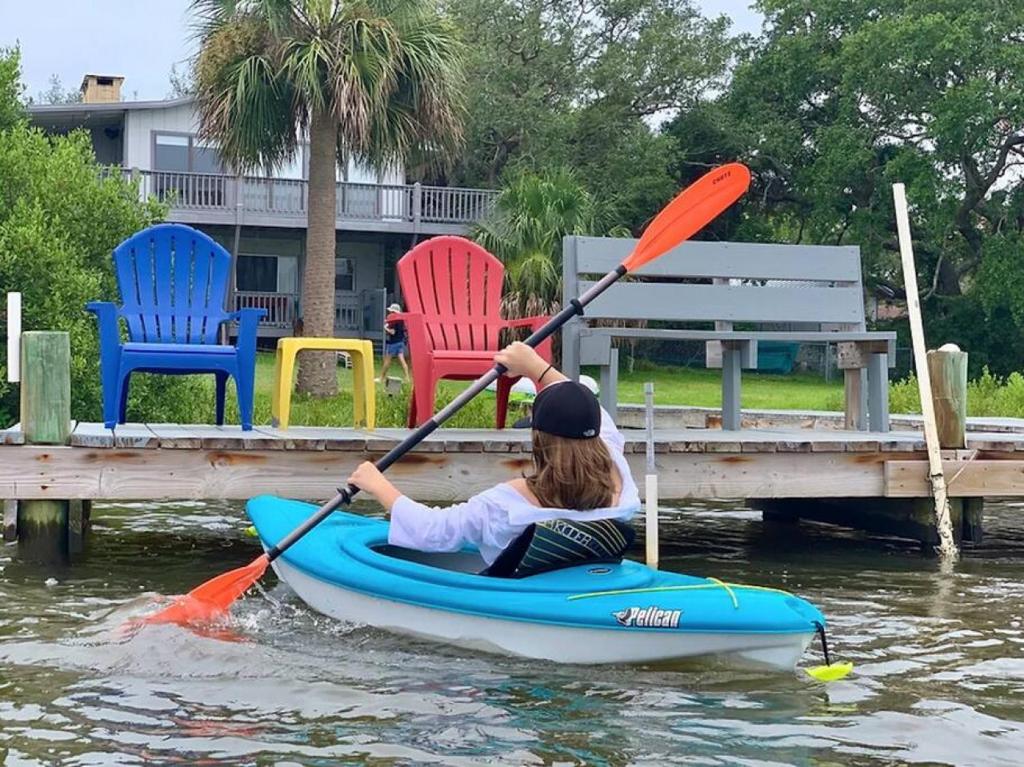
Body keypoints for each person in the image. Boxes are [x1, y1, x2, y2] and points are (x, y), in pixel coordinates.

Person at [347, 341, 640, 568]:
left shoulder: (508, 504)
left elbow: (432, 531)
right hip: (583, 580)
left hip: (521, 595)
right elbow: (595, 416)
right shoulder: (620, 480)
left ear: (538, 438)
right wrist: (536, 367)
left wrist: (377, 484)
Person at [379, 302, 409, 384]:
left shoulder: (395, 321)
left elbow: (393, 332)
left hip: (393, 343)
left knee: (387, 361)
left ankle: (381, 378)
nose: (390, 313)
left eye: (391, 311)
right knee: (402, 360)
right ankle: (407, 377)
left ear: (394, 312)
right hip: (400, 342)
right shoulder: (401, 320)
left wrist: (386, 328)